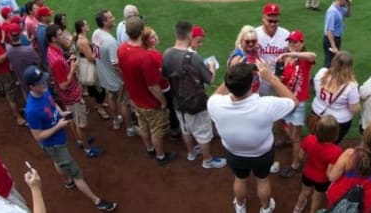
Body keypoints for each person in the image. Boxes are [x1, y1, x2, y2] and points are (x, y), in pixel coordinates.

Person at [23, 66, 117, 211]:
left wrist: (60, 113)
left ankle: (67, 181)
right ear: (31, 86)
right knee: (77, 173)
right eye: (40, 82)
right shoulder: (31, 110)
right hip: (53, 144)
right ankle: (97, 201)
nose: (44, 84)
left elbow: (52, 104)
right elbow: (38, 136)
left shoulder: (44, 90)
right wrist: (58, 126)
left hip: (59, 140)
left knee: (58, 162)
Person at [207, 61, 298, 213]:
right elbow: (293, 102)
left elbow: (217, 93)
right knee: (262, 180)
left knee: (240, 179)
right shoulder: (266, 105)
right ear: (251, 84)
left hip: (234, 153)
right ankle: (265, 208)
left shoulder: (214, 103)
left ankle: (240, 206)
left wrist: (233, 74)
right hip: (262, 154)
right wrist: (271, 78)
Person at [162, 20, 225, 169]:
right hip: (196, 102)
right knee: (203, 132)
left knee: (185, 129)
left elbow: (165, 75)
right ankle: (207, 160)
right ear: (190, 35)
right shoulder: (193, 57)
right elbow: (209, 79)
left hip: (178, 100)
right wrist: (211, 68)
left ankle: (191, 153)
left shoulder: (166, 53)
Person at [117, 16, 176, 165]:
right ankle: (161, 156)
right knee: (156, 129)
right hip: (149, 102)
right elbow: (152, 86)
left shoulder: (122, 49)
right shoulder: (145, 57)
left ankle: (150, 149)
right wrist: (162, 101)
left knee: (143, 125)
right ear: (142, 31)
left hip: (135, 98)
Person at [46, 24, 103, 157]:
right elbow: (63, 85)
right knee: (81, 124)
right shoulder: (57, 60)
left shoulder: (53, 50)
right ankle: (88, 149)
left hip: (67, 96)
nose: (63, 36)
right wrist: (72, 68)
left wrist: (68, 62)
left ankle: (79, 139)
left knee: (72, 118)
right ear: (53, 39)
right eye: (60, 35)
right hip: (72, 95)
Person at [326, 121, 371, 213]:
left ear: (366, 138)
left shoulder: (350, 154)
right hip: (364, 201)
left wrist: (329, 168)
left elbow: (332, 177)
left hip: (339, 196)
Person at [275, 30, 316, 178]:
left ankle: (295, 164)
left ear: (302, 43)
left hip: (298, 103)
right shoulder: (284, 59)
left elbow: (313, 56)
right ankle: (287, 140)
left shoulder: (304, 59)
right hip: (284, 100)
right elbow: (279, 78)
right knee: (279, 125)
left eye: (295, 42)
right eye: (290, 41)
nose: (291, 44)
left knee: (296, 137)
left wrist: (293, 54)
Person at [92, 9, 135, 136]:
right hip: (116, 79)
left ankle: (116, 120)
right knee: (124, 103)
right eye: (110, 18)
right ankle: (130, 129)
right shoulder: (111, 42)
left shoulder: (96, 33)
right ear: (105, 22)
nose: (113, 18)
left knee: (111, 96)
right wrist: (125, 77)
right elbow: (116, 64)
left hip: (104, 75)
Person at [290, 115, 342, 213]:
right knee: (317, 197)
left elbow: (301, 156)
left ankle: (297, 208)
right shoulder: (336, 151)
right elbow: (329, 173)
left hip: (307, 173)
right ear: (335, 133)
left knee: (304, 192)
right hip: (322, 180)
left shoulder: (309, 139)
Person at [310, 51, 360, 143]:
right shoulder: (351, 85)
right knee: (331, 145)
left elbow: (314, 87)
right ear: (349, 67)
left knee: (315, 141)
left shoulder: (321, 72)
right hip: (338, 122)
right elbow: (354, 109)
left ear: (333, 62)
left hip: (317, 113)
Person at [74, 19, 109, 120]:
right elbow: (90, 57)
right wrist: (100, 52)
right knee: (100, 88)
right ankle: (100, 107)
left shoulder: (81, 38)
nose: (88, 25)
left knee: (93, 88)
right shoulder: (83, 41)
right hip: (91, 67)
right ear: (82, 28)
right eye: (86, 24)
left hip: (88, 66)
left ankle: (99, 104)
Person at [322, 0, 352, 68]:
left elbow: (347, 15)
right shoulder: (332, 11)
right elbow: (329, 30)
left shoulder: (339, 8)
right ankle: (324, 78)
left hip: (336, 38)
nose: (347, 1)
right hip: (330, 39)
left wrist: (349, 5)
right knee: (329, 62)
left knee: (334, 61)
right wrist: (334, 46)